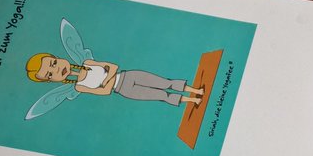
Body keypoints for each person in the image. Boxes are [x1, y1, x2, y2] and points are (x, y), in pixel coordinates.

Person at [25, 53, 203, 106]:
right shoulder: (79, 86)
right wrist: (107, 77)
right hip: (124, 90)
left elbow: (114, 66)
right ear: (51, 80)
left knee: (165, 82)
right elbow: (104, 91)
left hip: (128, 75)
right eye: (50, 74)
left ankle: (196, 91)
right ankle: (193, 100)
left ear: (57, 58)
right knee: (161, 95)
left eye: (53, 63)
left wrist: (106, 80)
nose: (56, 69)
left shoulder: (87, 63)